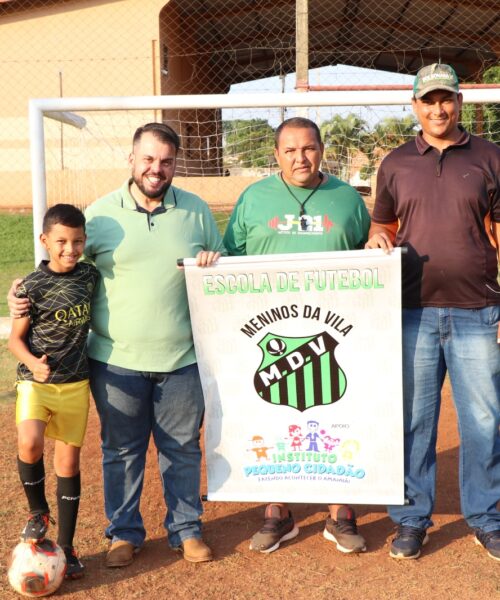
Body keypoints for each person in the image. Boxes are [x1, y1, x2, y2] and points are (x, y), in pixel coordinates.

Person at [9, 122, 224, 568]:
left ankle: (185, 529)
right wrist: (21, 295)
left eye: (166, 161)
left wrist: (214, 263)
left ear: (175, 164)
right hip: (115, 359)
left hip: (182, 357)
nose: (156, 169)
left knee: (181, 448)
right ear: (131, 160)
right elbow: (61, 265)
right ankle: (123, 533)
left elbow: (221, 272)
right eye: (148, 159)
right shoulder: (102, 215)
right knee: (121, 450)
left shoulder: (197, 211)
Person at [365, 63, 500, 561]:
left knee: (484, 420)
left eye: (446, 99)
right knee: (415, 420)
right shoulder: (396, 163)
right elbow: (382, 226)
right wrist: (378, 237)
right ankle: (411, 518)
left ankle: (486, 517)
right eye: (428, 100)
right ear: (415, 104)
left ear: (460, 102)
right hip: (412, 312)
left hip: (477, 309)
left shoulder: (490, 157)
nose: (437, 108)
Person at [223, 116, 371, 554]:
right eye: (289, 150)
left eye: (307, 148)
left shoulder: (346, 198)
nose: (299, 157)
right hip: (270, 335)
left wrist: (378, 244)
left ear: (322, 150)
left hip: (336, 334)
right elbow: (230, 258)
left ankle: (340, 510)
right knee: (271, 411)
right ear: (276, 155)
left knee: (339, 409)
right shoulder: (253, 198)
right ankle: (278, 510)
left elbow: (369, 249)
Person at [8, 204, 99, 579]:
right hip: (36, 382)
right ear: (45, 241)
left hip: (76, 384)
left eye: (77, 241)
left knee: (68, 464)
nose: (69, 249)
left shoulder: (91, 277)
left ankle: (66, 546)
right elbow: (15, 340)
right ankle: (36, 511)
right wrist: (33, 362)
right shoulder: (31, 285)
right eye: (61, 241)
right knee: (29, 442)